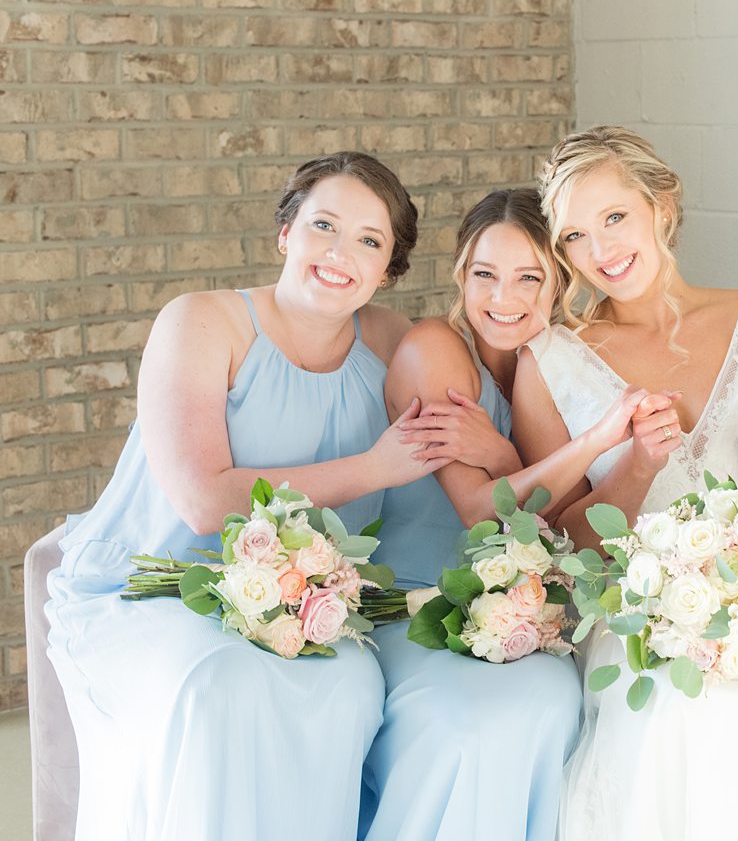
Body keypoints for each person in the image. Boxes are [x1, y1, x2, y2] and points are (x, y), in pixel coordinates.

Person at [46, 152, 446, 840]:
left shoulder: (391, 341)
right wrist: (375, 467)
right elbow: (205, 501)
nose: (339, 252)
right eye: (323, 224)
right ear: (286, 232)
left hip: (305, 599)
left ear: (389, 269)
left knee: (349, 688)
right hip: (162, 584)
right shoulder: (200, 322)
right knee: (225, 683)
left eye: (369, 241)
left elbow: (463, 434)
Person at [512, 126, 738, 840]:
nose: (601, 251)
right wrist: (636, 467)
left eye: (614, 217)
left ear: (662, 203)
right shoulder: (550, 360)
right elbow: (560, 541)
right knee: (673, 713)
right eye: (574, 237)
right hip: (630, 616)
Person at [360, 188, 647, 841]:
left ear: (559, 285)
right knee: (479, 722)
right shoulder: (434, 347)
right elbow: (477, 512)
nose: (503, 297)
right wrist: (596, 440)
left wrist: (502, 449)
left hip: (518, 610)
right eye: (485, 274)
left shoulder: (555, 366)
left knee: (554, 701)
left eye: (529, 277)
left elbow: (568, 523)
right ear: (461, 275)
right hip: (413, 601)